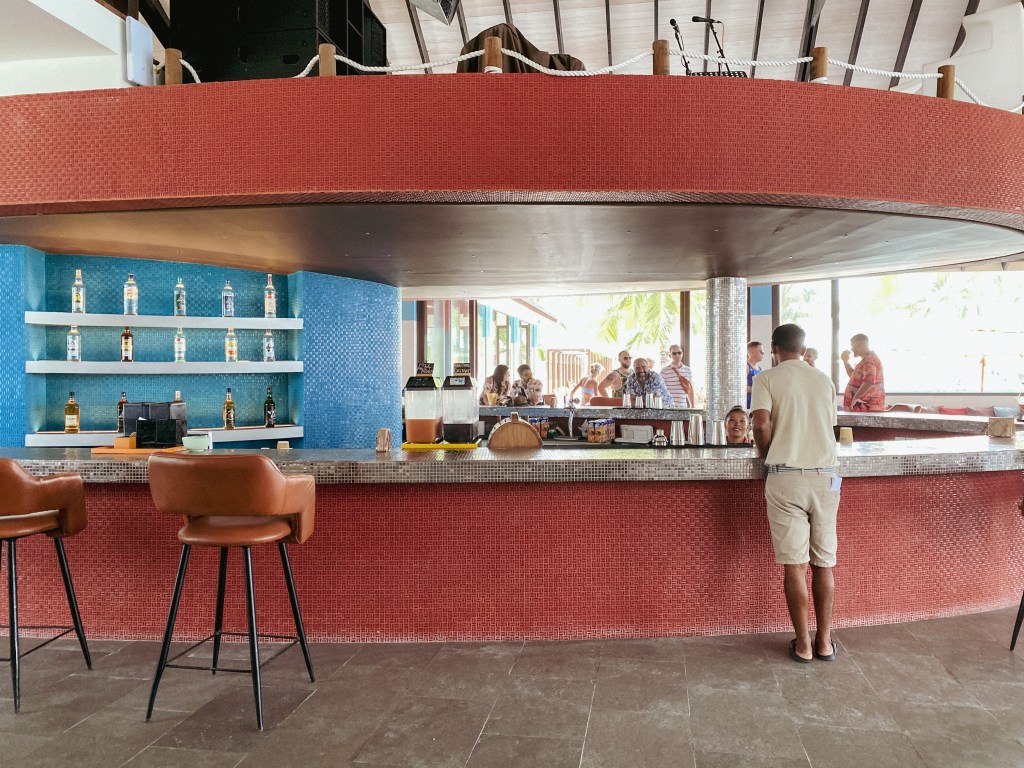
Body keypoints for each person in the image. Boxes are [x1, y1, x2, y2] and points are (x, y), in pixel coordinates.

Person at [751, 323, 840, 664]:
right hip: (828, 478)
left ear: (774, 347)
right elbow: (827, 427)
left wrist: (766, 454)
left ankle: (803, 645)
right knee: (824, 563)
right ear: (803, 349)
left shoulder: (766, 378)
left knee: (795, 565)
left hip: (786, 477)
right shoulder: (824, 380)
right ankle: (825, 643)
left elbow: (760, 424)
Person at [841, 334, 885, 412]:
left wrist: (855, 398)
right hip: (862, 409)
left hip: (865, 408)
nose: (851, 349)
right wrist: (845, 361)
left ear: (859, 345)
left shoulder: (869, 359)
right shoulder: (866, 360)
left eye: (852, 346)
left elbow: (869, 381)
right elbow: (853, 376)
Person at [746, 341, 764, 408]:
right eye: (761, 351)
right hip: (747, 406)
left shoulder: (760, 369)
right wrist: (755, 388)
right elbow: (740, 388)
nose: (763, 353)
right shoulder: (746, 367)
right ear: (752, 353)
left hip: (756, 405)